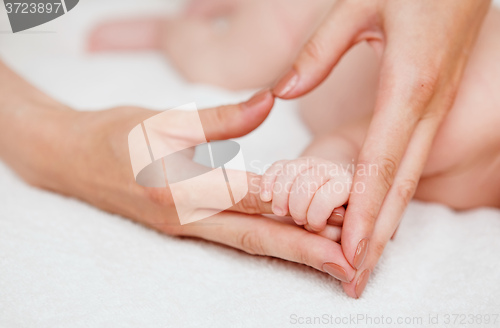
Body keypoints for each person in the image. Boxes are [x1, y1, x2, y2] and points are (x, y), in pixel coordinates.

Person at [89, 0, 495, 297]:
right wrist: (327, 172)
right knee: (224, 64)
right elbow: (353, 144)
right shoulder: (479, 112)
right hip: (307, 20)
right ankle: (171, 30)